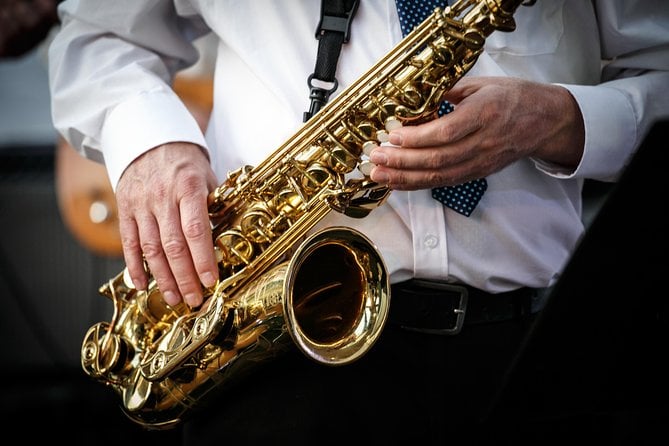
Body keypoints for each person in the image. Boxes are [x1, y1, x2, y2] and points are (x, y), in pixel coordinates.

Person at [48, 1, 669, 444]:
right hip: (277, 363)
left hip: (523, 359)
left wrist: (564, 120)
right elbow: (96, 33)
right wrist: (150, 144)